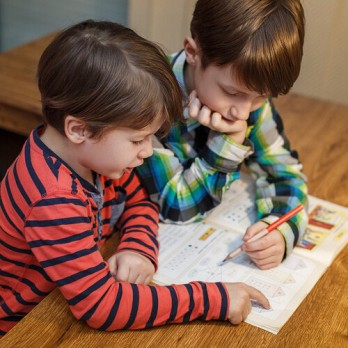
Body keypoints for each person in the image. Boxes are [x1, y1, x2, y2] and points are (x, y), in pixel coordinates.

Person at [0, 20, 269, 336]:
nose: (147, 152)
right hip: (25, 328)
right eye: (137, 139)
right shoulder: (52, 196)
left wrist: (137, 246)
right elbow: (103, 307)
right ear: (78, 129)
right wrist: (214, 299)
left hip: (59, 304)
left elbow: (139, 197)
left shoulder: (94, 159)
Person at [136, 0, 308, 270]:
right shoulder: (147, 102)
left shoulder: (248, 96)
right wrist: (228, 143)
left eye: (262, 96)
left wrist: (279, 230)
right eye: (231, 93)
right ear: (193, 52)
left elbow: (284, 173)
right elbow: (175, 206)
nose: (242, 112)